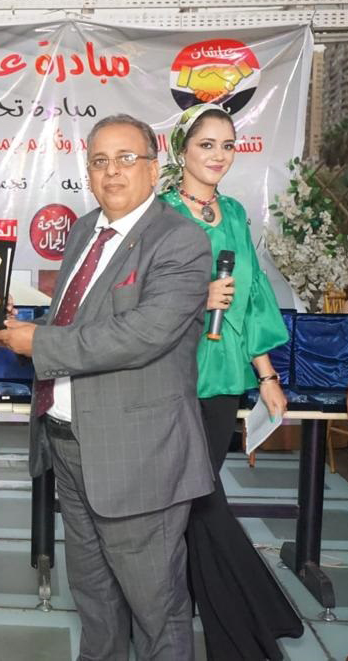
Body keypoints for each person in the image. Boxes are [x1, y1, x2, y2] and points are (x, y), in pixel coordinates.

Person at [0, 114, 214, 660]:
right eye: (99, 161)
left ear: (154, 169)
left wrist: (37, 341)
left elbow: (142, 335)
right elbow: (75, 323)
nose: (112, 172)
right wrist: (11, 325)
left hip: (137, 456)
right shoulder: (85, 231)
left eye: (126, 158)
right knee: (94, 599)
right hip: (68, 444)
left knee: (157, 610)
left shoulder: (181, 240)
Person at [159, 102, 304, 660]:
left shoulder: (237, 214)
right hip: (170, 375)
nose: (219, 155)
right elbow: (140, 295)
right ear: (182, 150)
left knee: (197, 499)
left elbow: (254, 299)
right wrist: (196, 298)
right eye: (206, 144)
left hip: (223, 380)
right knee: (200, 499)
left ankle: (239, 617)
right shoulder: (161, 213)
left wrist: (266, 375)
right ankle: (251, 625)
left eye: (227, 145)